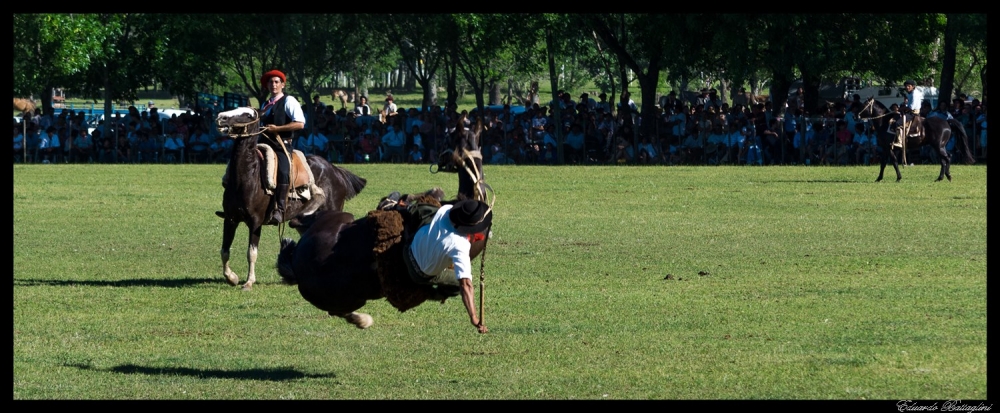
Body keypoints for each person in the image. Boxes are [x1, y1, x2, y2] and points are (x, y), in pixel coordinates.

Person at [378, 197, 492, 334]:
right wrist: (473, 316)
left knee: (426, 210)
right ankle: (431, 294)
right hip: (419, 273)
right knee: (456, 285)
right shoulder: (460, 246)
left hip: (408, 246)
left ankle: (400, 206)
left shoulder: (445, 210)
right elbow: (465, 284)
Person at [259, 69, 306, 224]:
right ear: (267, 85)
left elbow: (300, 123)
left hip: (281, 145)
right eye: (271, 82)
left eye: (277, 82)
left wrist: (277, 129)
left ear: (282, 85)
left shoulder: (289, 100)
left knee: (283, 170)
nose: (273, 84)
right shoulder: (265, 104)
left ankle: (280, 209)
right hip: (262, 143)